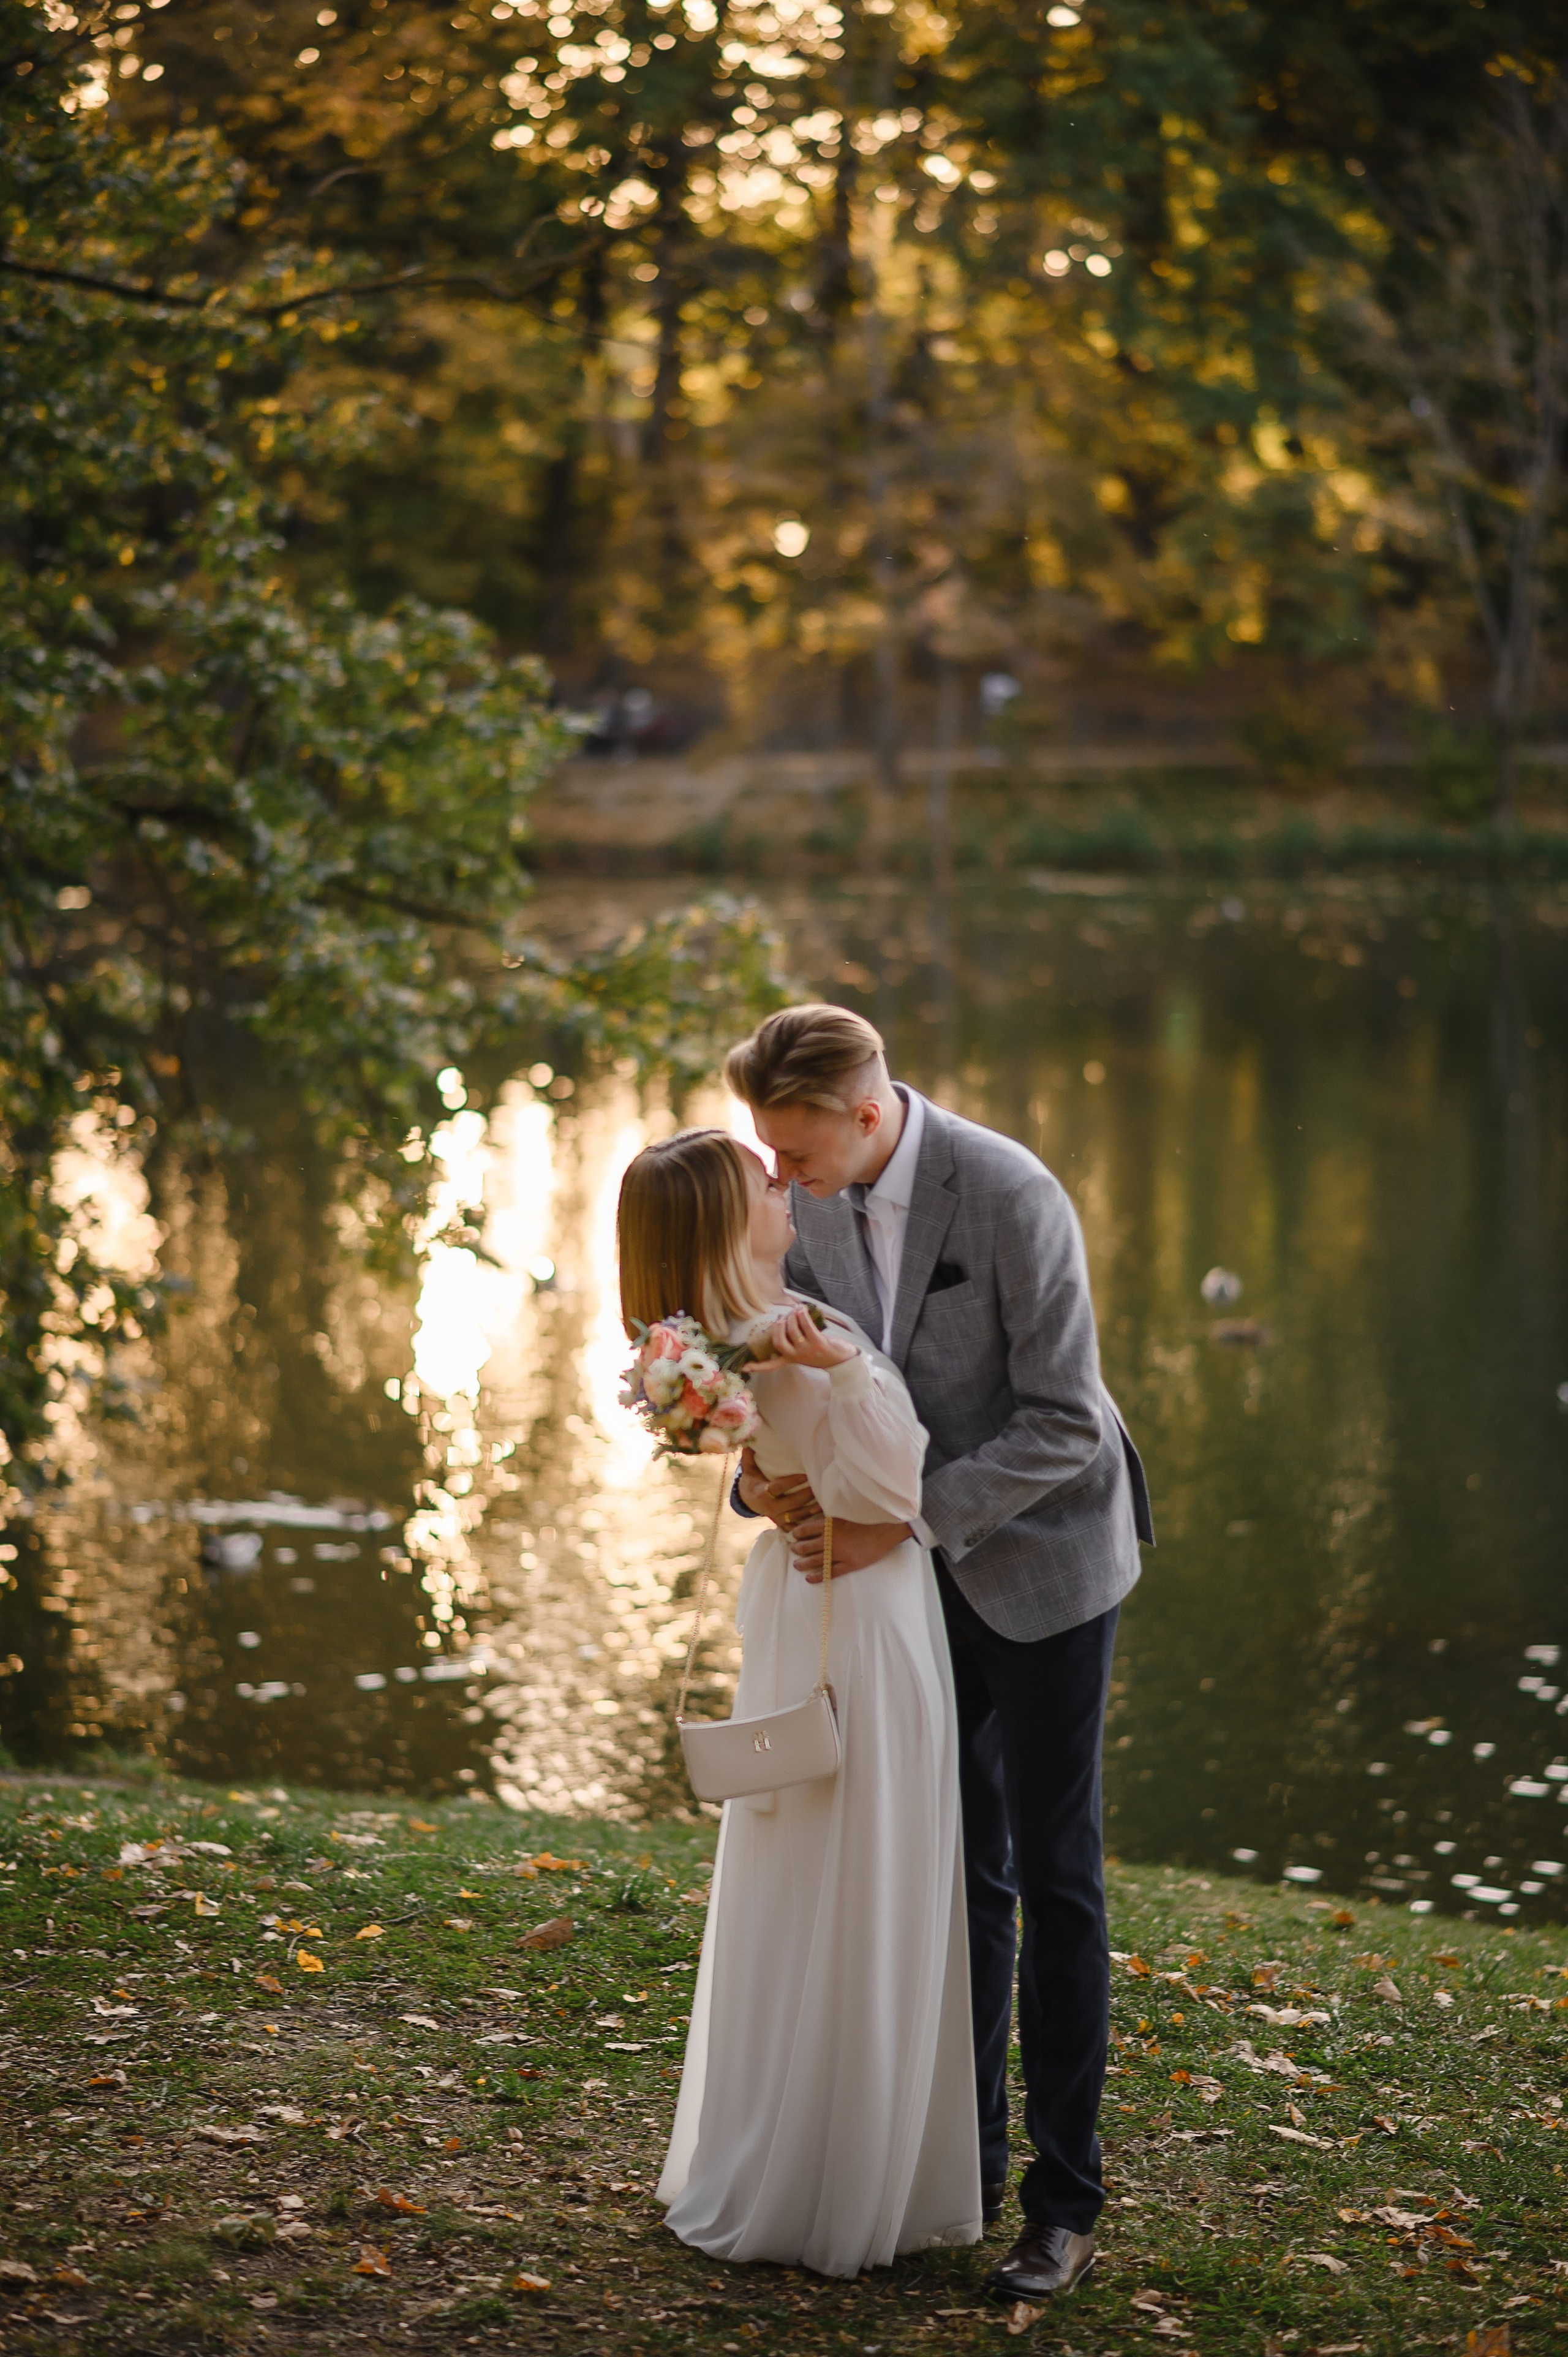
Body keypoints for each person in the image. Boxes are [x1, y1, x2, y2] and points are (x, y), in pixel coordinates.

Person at [725, 1003, 1153, 2307]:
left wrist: (896, 1521)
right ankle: (955, 2168)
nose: (777, 1181)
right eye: (766, 1155)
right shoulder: (801, 1199)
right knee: (953, 1868)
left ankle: (1063, 2202)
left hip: (1044, 1562)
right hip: (901, 1587)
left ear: (868, 1113)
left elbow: (1065, 1421)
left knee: (1055, 1871)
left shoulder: (1008, 1191)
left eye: (795, 1153)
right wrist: (770, 1487)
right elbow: (795, 1396)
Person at [617, 1128, 981, 2278]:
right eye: (760, 1182)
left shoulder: (713, 1345)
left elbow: (777, 1468)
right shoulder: (790, 1340)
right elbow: (892, 1483)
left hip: (799, 1607)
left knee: (806, 1864)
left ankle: (794, 2146)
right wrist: (842, 1371)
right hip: (863, 1617)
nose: (786, 1187)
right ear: (729, 1224)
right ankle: (840, 2180)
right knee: (865, 1863)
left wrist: (774, 1479)